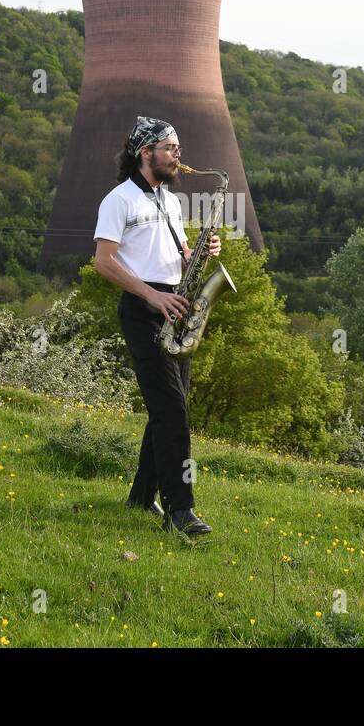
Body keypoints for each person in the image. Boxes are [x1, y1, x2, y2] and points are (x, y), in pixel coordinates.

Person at [94, 116, 221, 535]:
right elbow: (104, 261)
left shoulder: (171, 200)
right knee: (172, 412)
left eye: (178, 148)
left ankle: (139, 496)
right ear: (144, 153)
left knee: (170, 406)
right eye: (170, 148)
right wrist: (152, 296)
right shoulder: (119, 200)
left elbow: (178, 251)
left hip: (175, 305)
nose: (178, 155)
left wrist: (198, 251)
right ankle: (180, 511)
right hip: (144, 307)